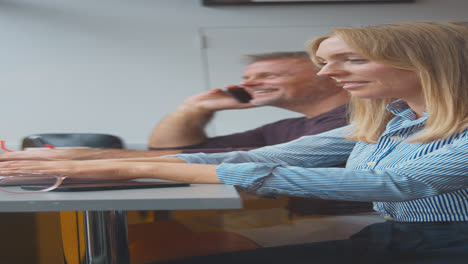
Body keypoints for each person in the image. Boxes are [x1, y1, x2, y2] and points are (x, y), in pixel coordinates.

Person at [2, 20, 468, 263]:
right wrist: (85, 157)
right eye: (325, 62)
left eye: (350, 60)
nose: (329, 74)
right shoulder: (390, 119)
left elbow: (396, 184)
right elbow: (259, 156)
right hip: (399, 237)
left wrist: (131, 167)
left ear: (427, 64)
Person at [0, 51, 350, 161]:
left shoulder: (352, 119)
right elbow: (171, 148)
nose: (247, 84)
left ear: (329, 75)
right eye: (246, 77)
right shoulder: (289, 126)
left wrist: (84, 157)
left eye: (268, 74)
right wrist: (192, 109)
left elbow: (245, 161)